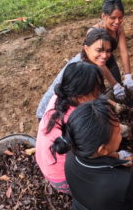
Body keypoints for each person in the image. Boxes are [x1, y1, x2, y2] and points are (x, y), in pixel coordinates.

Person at [35, 62, 106, 193]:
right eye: (96, 90)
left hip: (45, 164)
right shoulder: (80, 118)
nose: (99, 92)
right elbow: (96, 152)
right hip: (63, 179)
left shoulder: (60, 97)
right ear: (82, 95)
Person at [36, 28, 132, 120]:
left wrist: (115, 101)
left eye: (108, 51)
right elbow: (87, 99)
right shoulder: (80, 70)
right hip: (52, 115)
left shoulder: (92, 61)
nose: (105, 55)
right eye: (99, 50)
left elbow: (92, 94)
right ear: (86, 48)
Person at [88, 0, 133, 96]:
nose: (117, 22)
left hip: (108, 59)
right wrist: (114, 85)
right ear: (104, 16)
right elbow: (98, 62)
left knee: (119, 83)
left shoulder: (119, 29)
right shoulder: (94, 32)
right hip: (92, 63)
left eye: (120, 18)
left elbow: (124, 52)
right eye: (113, 18)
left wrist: (128, 76)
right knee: (98, 89)